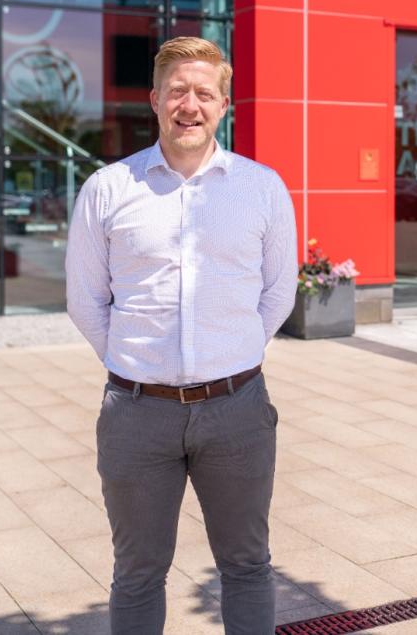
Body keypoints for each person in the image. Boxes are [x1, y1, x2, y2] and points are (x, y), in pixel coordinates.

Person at [66, 36, 297, 633]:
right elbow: (86, 301)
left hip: (238, 410)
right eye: (176, 91)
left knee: (247, 566)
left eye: (203, 92)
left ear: (224, 104)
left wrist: (234, 353)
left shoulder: (262, 188)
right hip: (137, 415)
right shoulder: (109, 189)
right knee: (137, 573)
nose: (188, 104)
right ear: (154, 100)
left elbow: (277, 294)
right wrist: (135, 363)